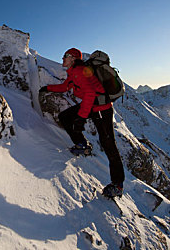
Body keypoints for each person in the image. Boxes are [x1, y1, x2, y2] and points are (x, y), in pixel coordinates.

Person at [39, 48, 125, 198]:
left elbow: (91, 94)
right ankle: (82, 145)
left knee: (108, 143)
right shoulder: (74, 72)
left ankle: (117, 184)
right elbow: (65, 87)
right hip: (91, 104)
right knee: (65, 117)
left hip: (102, 109)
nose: (62, 58)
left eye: (65, 56)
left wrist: (80, 118)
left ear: (73, 58)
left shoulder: (79, 71)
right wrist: (47, 88)